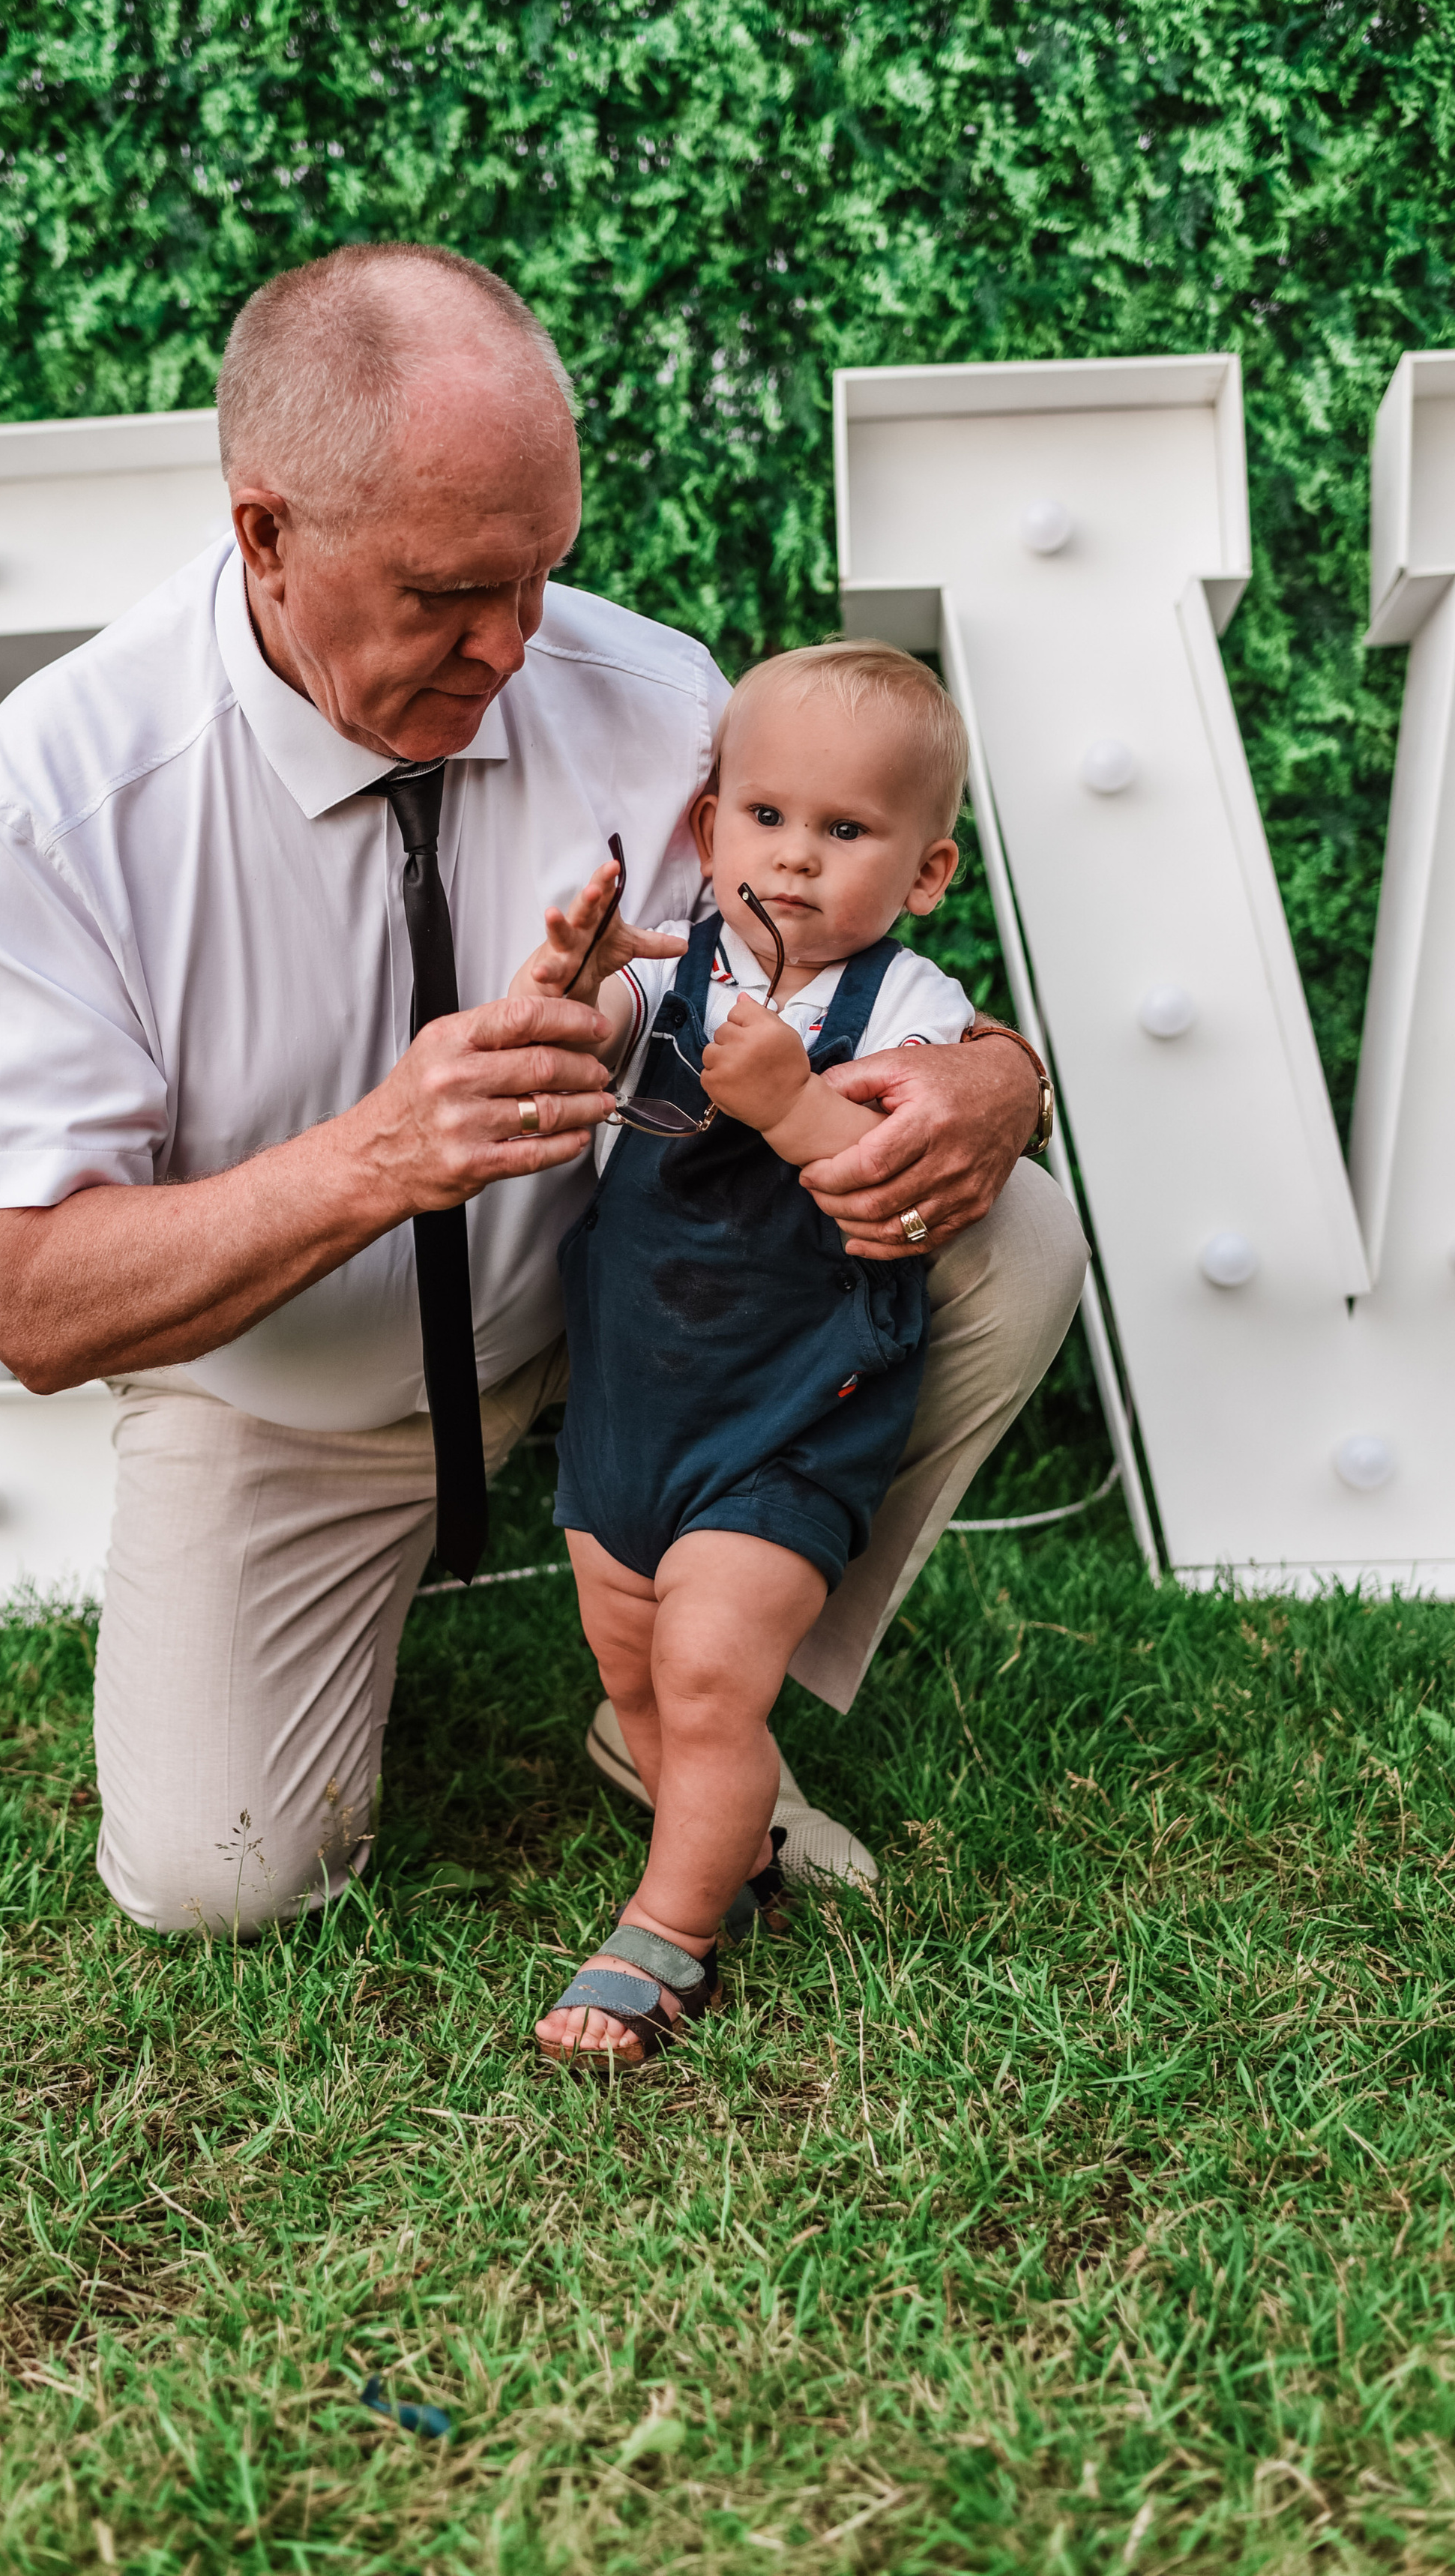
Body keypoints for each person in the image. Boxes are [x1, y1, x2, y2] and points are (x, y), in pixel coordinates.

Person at [0, 241, 1086, 1940]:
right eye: (444, 595)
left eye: (537, 572)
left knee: (1014, 1241)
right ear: (265, 533)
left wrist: (999, 1076)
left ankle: (689, 1709)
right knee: (216, 1881)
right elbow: (32, 1305)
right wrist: (374, 1159)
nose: (509, 640)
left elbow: (821, 989)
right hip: (289, 1403)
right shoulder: (56, 795)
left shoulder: (651, 694)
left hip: (628, 1311)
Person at [512, 644, 973, 2063]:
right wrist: (573, 983)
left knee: (713, 1667)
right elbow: (593, 1049)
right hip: (638, 1389)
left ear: (924, 872)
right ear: (709, 829)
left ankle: (672, 1932)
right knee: (635, 1663)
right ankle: (734, 1845)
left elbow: (887, 1179)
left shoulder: (909, 1008)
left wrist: (793, 1107)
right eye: (766, 819)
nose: (794, 861)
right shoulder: (677, 963)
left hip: (792, 1400)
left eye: (847, 833)